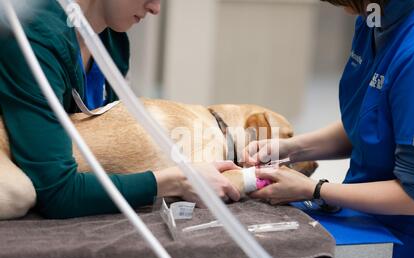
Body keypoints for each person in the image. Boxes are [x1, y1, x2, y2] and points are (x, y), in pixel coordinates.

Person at [243, 0, 414, 258]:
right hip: (363, 221)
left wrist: (313, 189)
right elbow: (370, 122)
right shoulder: (373, 20)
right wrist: (290, 148)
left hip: (410, 252)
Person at [0, 0, 240, 219]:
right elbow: (57, 192)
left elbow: (102, 148)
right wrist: (176, 181)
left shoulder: (112, 41)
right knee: (18, 195)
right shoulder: (33, 39)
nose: (155, 9)